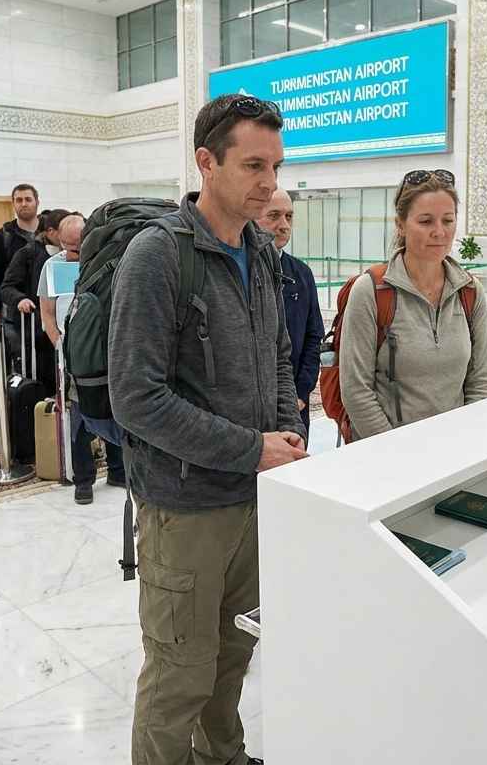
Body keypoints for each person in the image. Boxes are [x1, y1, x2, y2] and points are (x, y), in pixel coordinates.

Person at [109, 93, 306, 765]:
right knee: (178, 676)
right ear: (206, 162)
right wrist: (252, 448)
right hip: (185, 508)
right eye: (253, 165)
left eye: (275, 167)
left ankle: (224, 757)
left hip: (253, 500)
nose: (269, 184)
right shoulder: (158, 256)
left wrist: (287, 430)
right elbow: (136, 398)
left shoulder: (262, 252)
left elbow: (277, 355)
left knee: (232, 658)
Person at [339, 169, 487, 440]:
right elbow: (356, 390)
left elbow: (480, 380)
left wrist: (467, 439)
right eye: (425, 221)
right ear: (400, 224)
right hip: (386, 452)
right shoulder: (371, 291)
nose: (439, 232)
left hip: (454, 447)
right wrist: (395, 451)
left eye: (448, 220)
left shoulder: (470, 292)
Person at [39, 214, 125, 504]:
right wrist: (60, 346)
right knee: (79, 416)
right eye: (68, 247)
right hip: (74, 356)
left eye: (79, 247)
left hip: (107, 351)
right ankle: (84, 481)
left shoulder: (107, 262)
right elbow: (47, 314)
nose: (74, 253)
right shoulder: (54, 266)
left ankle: (118, 471)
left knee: (113, 409)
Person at [259, 188, 324, 439]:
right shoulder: (241, 272)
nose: (284, 225)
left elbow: (313, 337)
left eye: (289, 216)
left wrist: (301, 393)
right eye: (274, 215)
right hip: (253, 414)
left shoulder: (301, 273)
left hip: (295, 409)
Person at [1, 208, 68, 395]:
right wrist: (20, 299)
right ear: (51, 232)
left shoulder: (74, 255)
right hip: (36, 331)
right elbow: (7, 287)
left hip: (66, 327)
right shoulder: (28, 253)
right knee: (43, 379)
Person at [0, 183, 40, 329]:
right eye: (19, 200)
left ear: (37, 202)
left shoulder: (48, 232)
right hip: (14, 312)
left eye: (28, 199)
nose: (24, 204)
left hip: (46, 309)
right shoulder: (2, 236)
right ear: (13, 204)